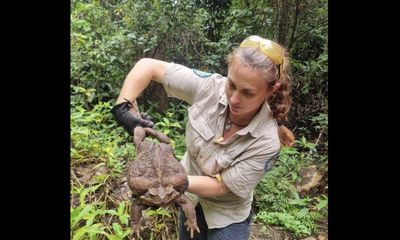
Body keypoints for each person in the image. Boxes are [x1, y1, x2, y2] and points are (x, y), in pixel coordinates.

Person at [111, 35, 295, 240]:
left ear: (272, 90)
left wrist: (166, 183)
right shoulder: (209, 87)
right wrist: (123, 107)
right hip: (189, 199)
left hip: (227, 216)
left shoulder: (267, 141)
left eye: (248, 93)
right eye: (232, 84)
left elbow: (223, 186)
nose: (234, 98)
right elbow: (148, 66)